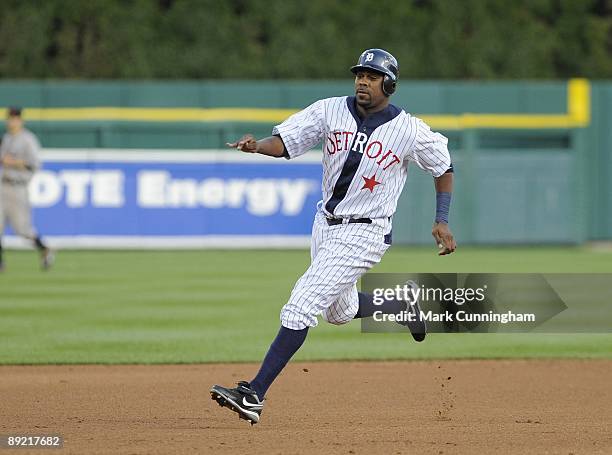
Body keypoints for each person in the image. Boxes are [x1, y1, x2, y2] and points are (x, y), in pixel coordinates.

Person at [210, 49, 456, 424]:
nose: (362, 80)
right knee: (338, 312)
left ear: (389, 84)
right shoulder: (329, 110)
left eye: (372, 76)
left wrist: (442, 220)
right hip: (325, 224)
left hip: (365, 231)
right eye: (359, 74)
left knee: (300, 304)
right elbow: (287, 142)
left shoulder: (409, 129)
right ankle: (402, 306)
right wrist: (258, 146)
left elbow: (443, 165)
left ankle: (254, 393)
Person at [0, 106, 54, 271]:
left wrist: (14, 162)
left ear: (21, 120)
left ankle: (44, 249)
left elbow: (35, 164)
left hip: (19, 188)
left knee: (23, 230)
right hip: (3, 185)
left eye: (15, 118)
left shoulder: (28, 139)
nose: (12, 122)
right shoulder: (7, 138)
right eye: (10, 118)